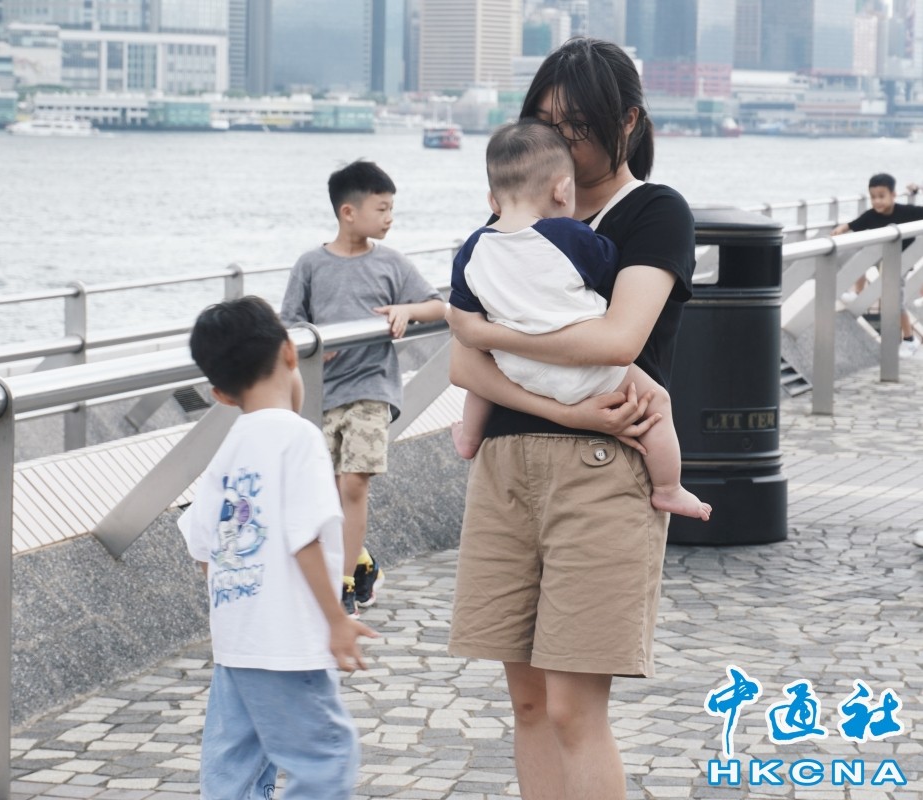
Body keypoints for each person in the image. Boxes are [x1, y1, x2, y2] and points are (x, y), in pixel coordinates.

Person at [445, 38, 696, 800]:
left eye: (576, 124)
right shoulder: (512, 216)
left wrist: (484, 331)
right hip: (505, 469)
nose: (558, 139)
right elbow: (463, 368)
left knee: (571, 710)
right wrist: (568, 406)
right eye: (545, 122)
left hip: (601, 475)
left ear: (627, 121)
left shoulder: (653, 213)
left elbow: (619, 339)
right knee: (525, 704)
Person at [450, 119, 710, 521]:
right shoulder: (569, 236)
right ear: (562, 190)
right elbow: (609, 273)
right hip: (586, 375)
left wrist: (487, 331)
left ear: (492, 200)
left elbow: (464, 318)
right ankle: (669, 488)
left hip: (514, 370)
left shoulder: (473, 249)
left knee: (481, 386)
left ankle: (468, 439)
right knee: (657, 402)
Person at [179, 296, 377, 800]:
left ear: (220, 394)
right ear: (290, 352)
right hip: (288, 645)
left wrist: (243, 604)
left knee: (233, 770)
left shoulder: (230, 448)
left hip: (236, 643)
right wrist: (335, 618)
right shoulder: (299, 437)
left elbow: (203, 544)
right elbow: (303, 536)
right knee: (326, 759)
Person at [280, 160, 447, 616]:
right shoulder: (310, 265)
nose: (390, 217)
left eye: (392, 208)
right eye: (382, 208)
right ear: (348, 212)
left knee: (354, 483)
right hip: (322, 395)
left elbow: (437, 305)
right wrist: (312, 347)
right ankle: (364, 562)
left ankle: (343, 584)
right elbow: (289, 324)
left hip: (373, 389)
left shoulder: (391, 263)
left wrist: (406, 310)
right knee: (327, 492)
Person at [832, 172, 923, 357]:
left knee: (895, 302)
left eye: (881, 196)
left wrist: (918, 189)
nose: (877, 201)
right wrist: (841, 229)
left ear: (893, 195)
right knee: (861, 258)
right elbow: (853, 224)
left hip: (900, 262)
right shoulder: (871, 215)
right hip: (879, 257)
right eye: (873, 197)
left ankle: (909, 340)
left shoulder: (906, 212)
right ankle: (857, 292)